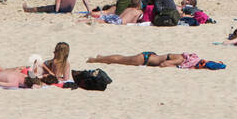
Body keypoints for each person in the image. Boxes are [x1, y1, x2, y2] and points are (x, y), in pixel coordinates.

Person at [86, 52, 224, 70]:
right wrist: (176, 67)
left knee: (122, 59)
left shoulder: (189, 57)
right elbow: (164, 64)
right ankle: (96, 59)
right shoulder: (181, 59)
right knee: (120, 60)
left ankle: (101, 57)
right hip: (145, 59)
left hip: (149, 57)